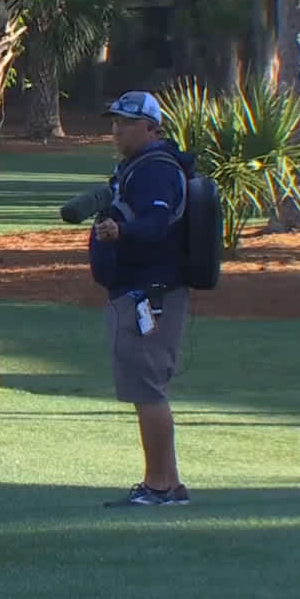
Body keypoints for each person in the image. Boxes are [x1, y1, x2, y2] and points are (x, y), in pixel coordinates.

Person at [93, 91, 196, 507]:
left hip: (150, 295)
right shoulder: (136, 168)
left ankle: (159, 486)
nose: (116, 129)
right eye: (114, 120)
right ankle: (167, 482)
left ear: (152, 128)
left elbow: (156, 224)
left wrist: (121, 233)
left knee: (148, 388)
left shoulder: (155, 170)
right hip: (139, 291)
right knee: (144, 388)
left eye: (126, 122)